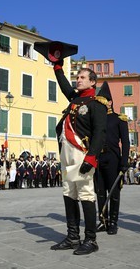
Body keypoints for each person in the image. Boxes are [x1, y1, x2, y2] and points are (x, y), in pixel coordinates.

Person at [50, 59, 107, 255]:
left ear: (93, 82)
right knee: (69, 193)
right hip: (66, 152)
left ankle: (91, 240)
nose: (78, 80)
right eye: (77, 77)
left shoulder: (96, 104)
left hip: (82, 154)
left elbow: (100, 132)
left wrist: (92, 157)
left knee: (85, 194)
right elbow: (65, 85)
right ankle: (73, 236)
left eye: (82, 77)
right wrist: (57, 67)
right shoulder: (75, 100)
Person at [94, 81, 130, 235]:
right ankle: (103, 221)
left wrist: (124, 162)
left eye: (104, 101)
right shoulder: (95, 120)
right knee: (100, 192)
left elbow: (126, 142)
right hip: (98, 158)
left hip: (113, 157)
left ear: (110, 102)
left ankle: (114, 222)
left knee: (113, 192)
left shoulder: (119, 119)